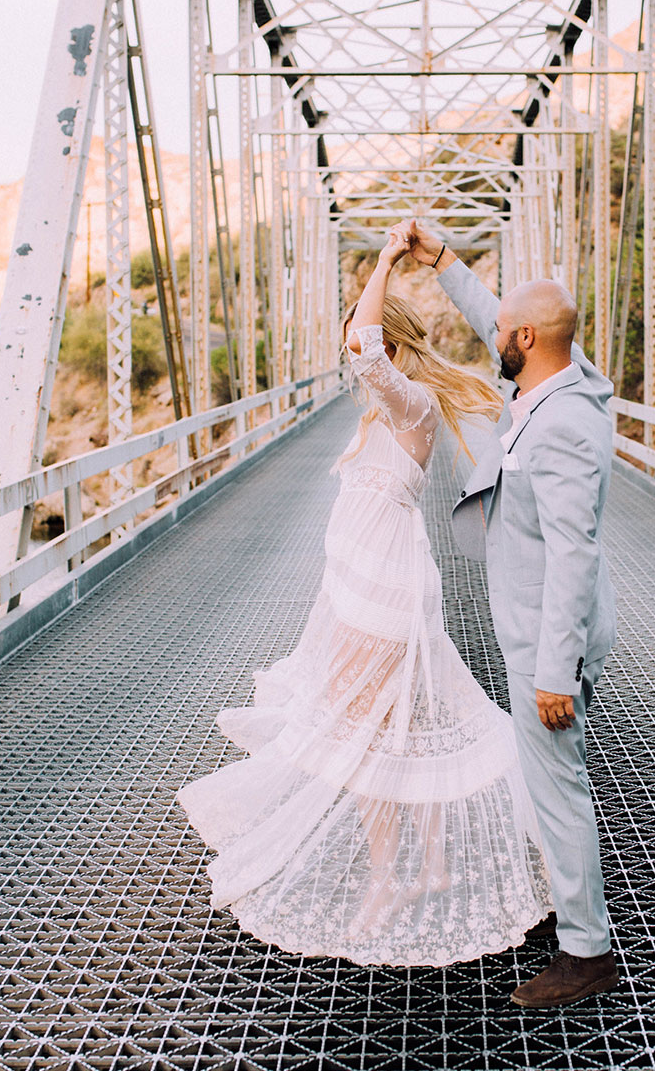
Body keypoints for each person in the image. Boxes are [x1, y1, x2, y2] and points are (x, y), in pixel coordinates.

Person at [176, 224, 552, 967]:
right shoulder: (386, 412)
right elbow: (363, 347)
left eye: (367, 332)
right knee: (395, 733)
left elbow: (363, 345)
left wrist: (383, 262)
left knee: (367, 741)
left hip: (382, 599)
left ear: (394, 344)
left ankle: (387, 879)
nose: (353, 349)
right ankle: (429, 864)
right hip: (366, 592)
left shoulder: (408, 403)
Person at [405, 218, 619, 1008]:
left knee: (560, 787)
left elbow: (576, 554)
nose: (491, 333)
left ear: (526, 338)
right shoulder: (556, 378)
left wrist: (554, 672)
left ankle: (587, 952)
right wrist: (445, 267)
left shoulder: (564, 423)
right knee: (549, 780)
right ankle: (569, 914)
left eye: (501, 331)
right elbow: (501, 312)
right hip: (532, 630)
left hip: (548, 643)